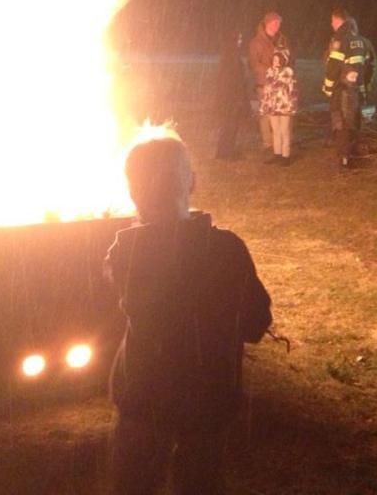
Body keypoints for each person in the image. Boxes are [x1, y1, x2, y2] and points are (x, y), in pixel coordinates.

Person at [105, 134, 272, 495]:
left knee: (133, 484)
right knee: (201, 482)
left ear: (132, 192)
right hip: (207, 398)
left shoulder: (125, 252)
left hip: (144, 396)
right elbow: (257, 323)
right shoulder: (226, 249)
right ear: (192, 182)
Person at [322, 8, 376, 169]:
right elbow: (370, 66)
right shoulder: (362, 41)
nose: (331, 25)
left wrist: (328, 87)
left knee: (341, 123)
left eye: (332, 21)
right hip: (357, 89)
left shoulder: (340, 40)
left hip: (341, 89)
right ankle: (353, 153)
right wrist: (364, 86)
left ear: (337, 20)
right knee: (354, 121)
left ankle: (344, 158)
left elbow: (333, 67)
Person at [259, 32, 298, 165]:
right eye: (274, 60)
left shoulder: (288, 72)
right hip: (273, 106)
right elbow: (267, 89)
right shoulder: (270, 71)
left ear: (283, 60)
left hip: (284, 106)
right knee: (275, 130)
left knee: (284, 131)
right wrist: (265, 104)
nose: (275, 62)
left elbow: (292, 90)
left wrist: (292, 105)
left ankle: (286, 155)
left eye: (277, 60)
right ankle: (277, 153)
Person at [248, 12, 282, 155]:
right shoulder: (256, 43)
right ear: (267, 23)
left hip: (279, 83)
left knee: (278, 113)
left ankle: (278, 142)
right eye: (275, 23)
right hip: (264, 83)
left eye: (279, 24)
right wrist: (270, 70)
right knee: (265, 115)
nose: (277, 26)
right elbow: (254, 64)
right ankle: (268, 143)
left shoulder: (281, 40)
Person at [213, 30, 250, 160]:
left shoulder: (231, 55)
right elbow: (232, 79)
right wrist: (237, 96)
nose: (240, 41)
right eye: (238, 39)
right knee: (229, 125)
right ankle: (224, 151)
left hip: (230, 97)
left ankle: (227, 149)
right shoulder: (230, 57)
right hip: (230, 98)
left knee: (231, 125)